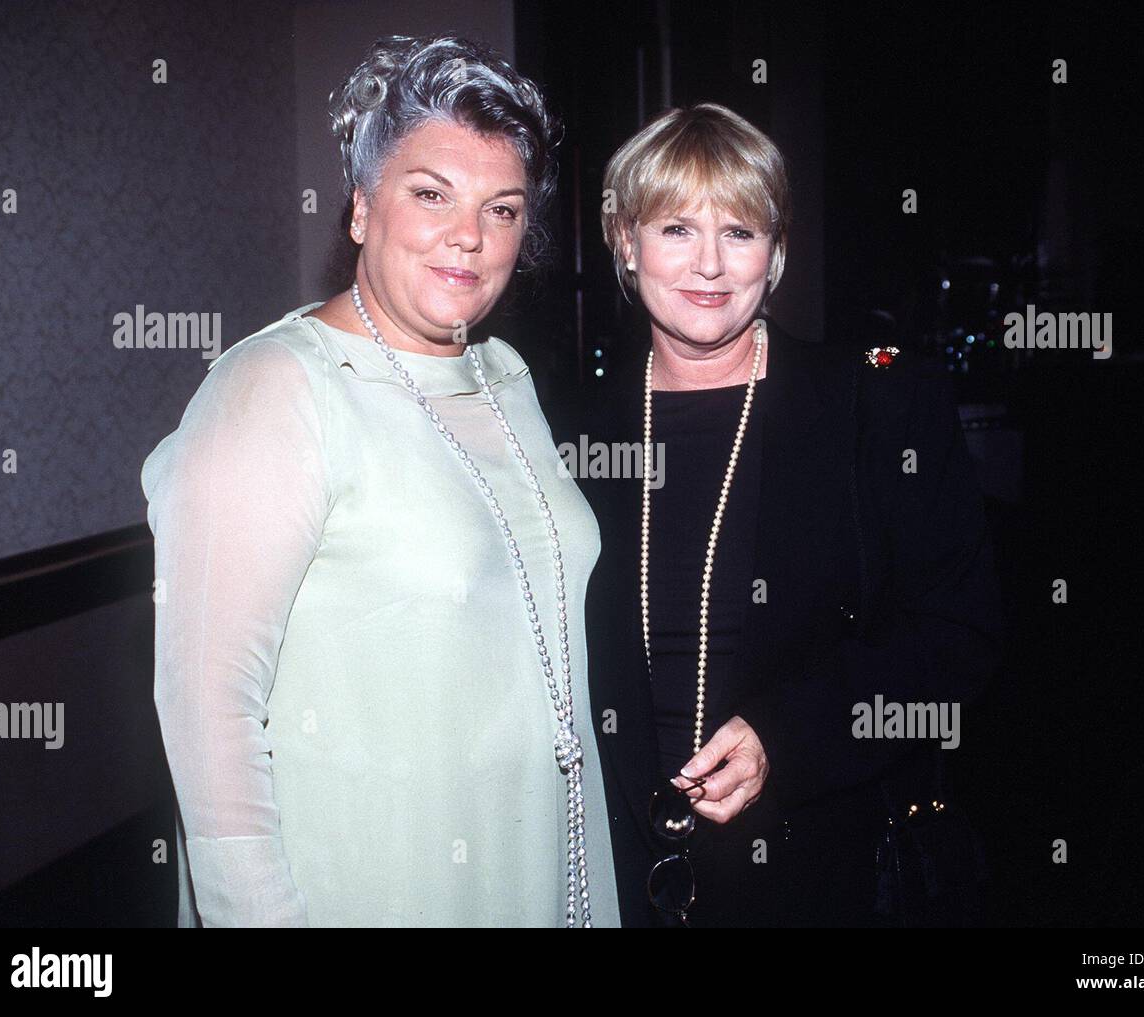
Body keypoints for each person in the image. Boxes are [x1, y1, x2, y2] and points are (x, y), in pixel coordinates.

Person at [140, 35, 620, 927]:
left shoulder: (504, 375)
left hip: (533, 867)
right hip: (374, 882)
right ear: (362, 208)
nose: (469, 237)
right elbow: (207, 705)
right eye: (430, 194)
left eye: (503, 209)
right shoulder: (274, 389)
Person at [576, 102, 1002, 927]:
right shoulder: (568, 427)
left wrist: (790, 736)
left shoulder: (878, 403)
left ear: (775, 253)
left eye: (740, 232)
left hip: (825, 874)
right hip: (619, 876)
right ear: (625, 242)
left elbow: (961, 639)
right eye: (674, 229)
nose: (709, 264)